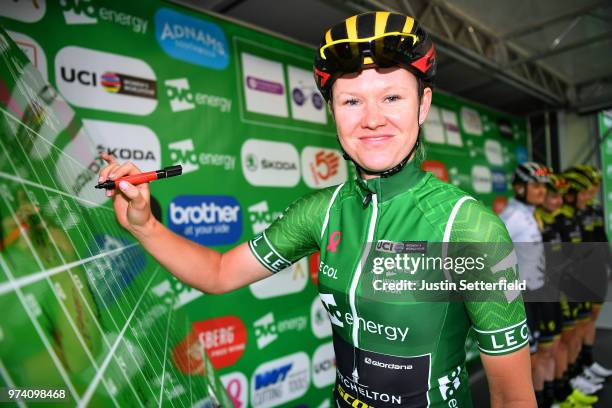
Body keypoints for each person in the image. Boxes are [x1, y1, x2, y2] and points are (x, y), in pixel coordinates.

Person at [99, 11, 535, 407]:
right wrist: (145, 226)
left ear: (423, 105)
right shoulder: (320, 213)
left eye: (392, 98)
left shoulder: (469, 227)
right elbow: (217, 273)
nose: (372, 118)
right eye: (351, 101)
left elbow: (512, 398)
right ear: (332, 111)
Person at [535, 173, 599, 407]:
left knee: (561, 343)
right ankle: (551, 396)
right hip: (543, 295)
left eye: (560, 197)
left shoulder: (560, 219)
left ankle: (563, 389)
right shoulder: (535, 220)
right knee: (546, 351)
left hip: (566, 288)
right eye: (552, 196)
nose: (557, 201)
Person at [499, 162, 550, 407]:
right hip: (520, 298)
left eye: (544, 187)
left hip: (536, 292)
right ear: (520, 188)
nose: (542, 191)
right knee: (524, 365)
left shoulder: (530, 213)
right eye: (536, 186)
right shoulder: (512, 217)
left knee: (537, 355)